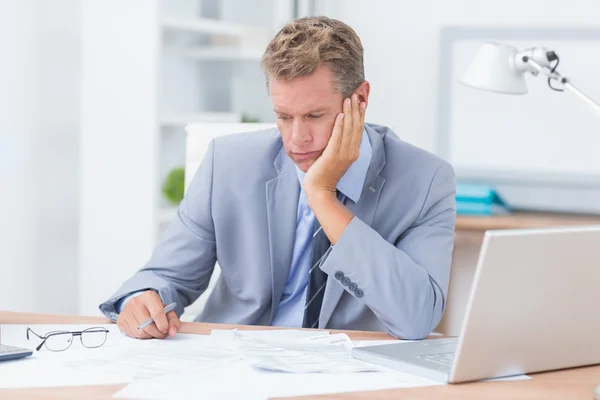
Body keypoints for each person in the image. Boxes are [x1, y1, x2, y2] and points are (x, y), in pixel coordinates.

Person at [99, 16, 456, 340]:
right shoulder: (228, 162)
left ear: (359, 100)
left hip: (346, 375)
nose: (297, 139)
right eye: (284, 116)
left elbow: (416, 317)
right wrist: (142, 297)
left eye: (315, 115)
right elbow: (166, 277)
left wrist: (322, 195)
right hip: (232, 364)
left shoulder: (425, 180)